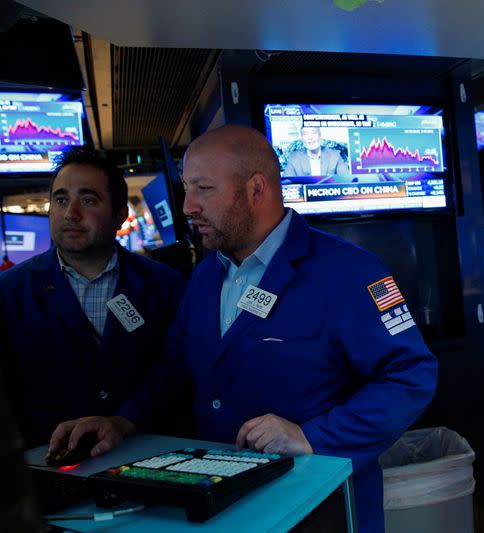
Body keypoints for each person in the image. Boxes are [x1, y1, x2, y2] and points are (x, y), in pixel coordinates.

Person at [52, 126, 438, 532]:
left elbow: (411, 376)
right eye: (187, 189)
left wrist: (314, 437)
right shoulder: (204, 279)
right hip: (226, 507)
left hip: (320, 509)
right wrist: (121, 422)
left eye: (204, 189)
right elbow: (175, 369)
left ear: (256, 189)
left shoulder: (348, 272)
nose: (188, 207)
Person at [0, 148, 186, 449]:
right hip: (51, 466)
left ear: (120, 214)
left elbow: (177, 367)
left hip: (148, 454)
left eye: (88, 200)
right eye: (61, 200)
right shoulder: (10, 292)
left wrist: (125, 421)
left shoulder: (164, 285)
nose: (71, 214)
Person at [282, 125, 350, 178]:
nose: (310, 137)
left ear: (320, 135)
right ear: (302, 138)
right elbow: (287, 184)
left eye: (313, 132)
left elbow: (346, 180)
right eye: (305, 134)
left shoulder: (334, 155)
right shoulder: (294, 157)